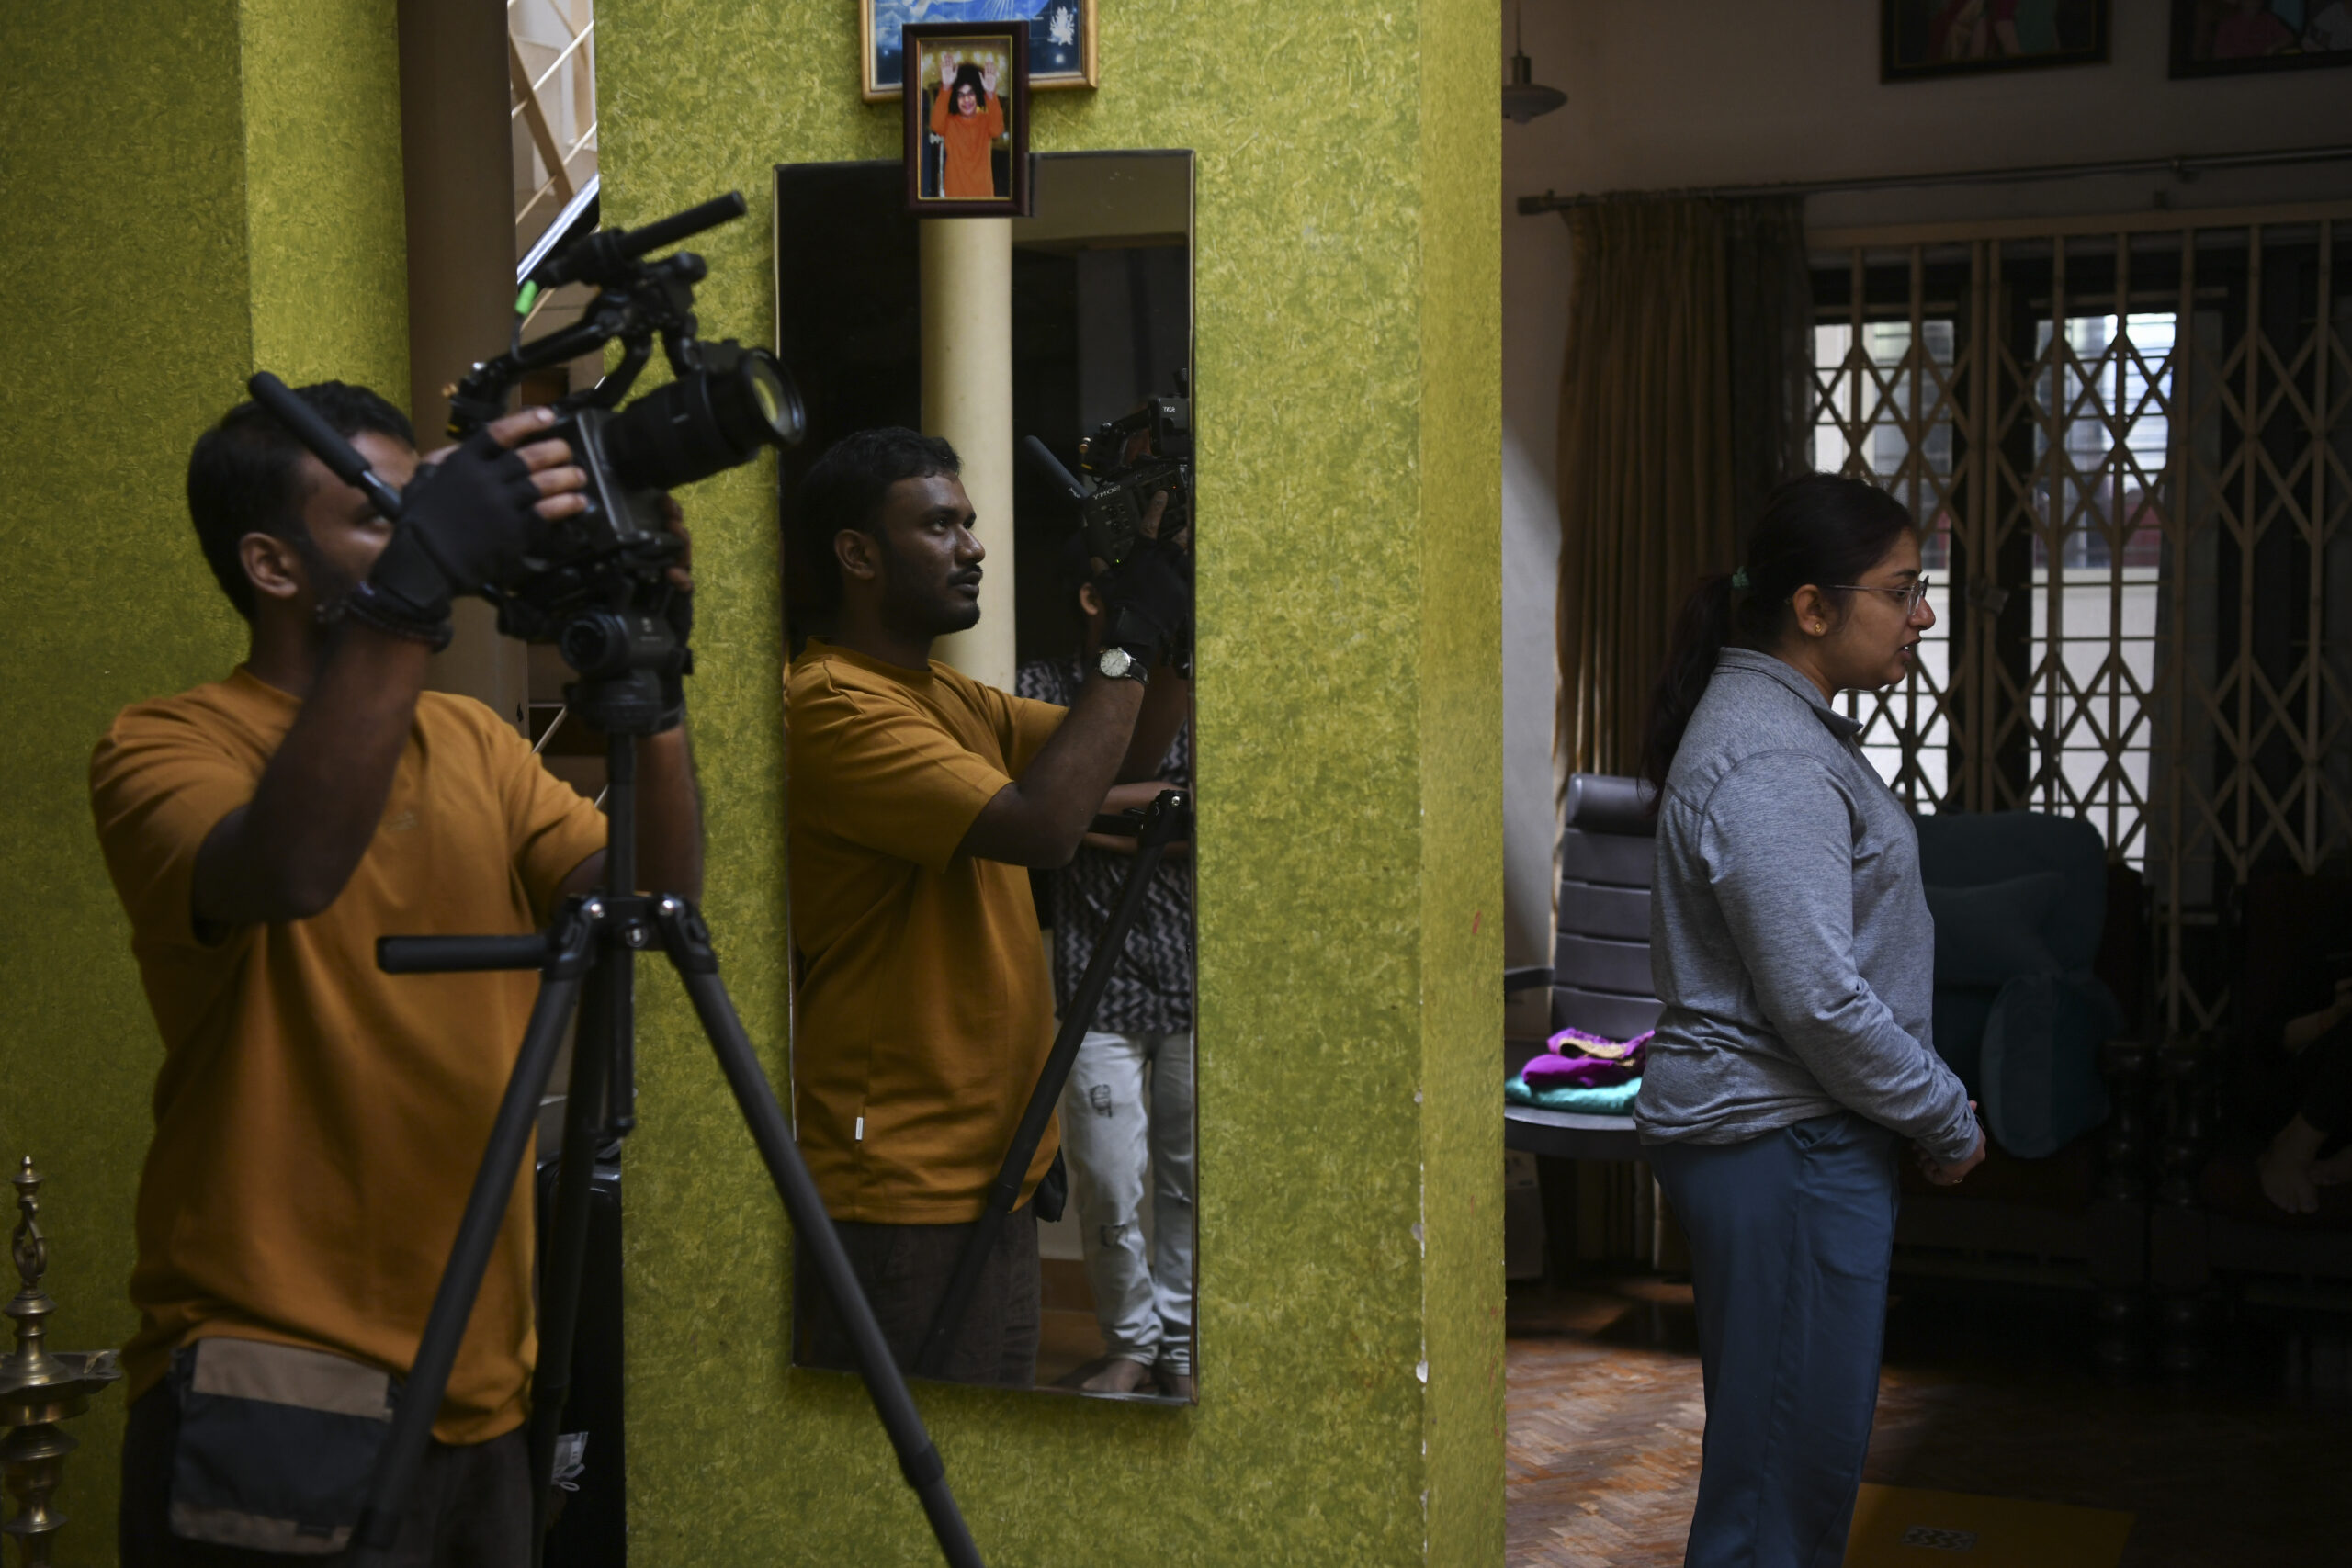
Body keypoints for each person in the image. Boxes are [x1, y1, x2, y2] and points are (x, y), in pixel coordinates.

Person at [91, 382, 704, 1567]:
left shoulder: (469, 738)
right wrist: (417, 585)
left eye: (427, 508)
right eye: (384, 515)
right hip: (272, 1373)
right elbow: (289, 867)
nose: (426, 536)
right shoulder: (165, 744)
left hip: (481, 1376)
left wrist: (657, 679)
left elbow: (648, 902)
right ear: (272, 565)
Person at [785, 427, 1189, 1386]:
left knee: (982, 1443)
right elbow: (1045, 825)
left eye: (968, 522)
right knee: (918, 1458)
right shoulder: (833, 705)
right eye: (939, 525)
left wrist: (1167, 622)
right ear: (857, 554)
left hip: (995, 1169)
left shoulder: (950, 697)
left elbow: (1128, 755)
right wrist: (1127, 644)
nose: (972, 546)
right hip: (904, 1182)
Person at [1636, 473, 1985, 1568]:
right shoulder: (1772, 756)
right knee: (1778, 1493)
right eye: (1901, 590)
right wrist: (1942, 1113)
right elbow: (1817, 998)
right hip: (1783, 1142)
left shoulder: (1780, 730)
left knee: (1791, 1467)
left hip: (1791, 1138)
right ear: (1811, 608)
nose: (1921, 615)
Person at [1015, 540, 1195, 1399]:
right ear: (1095, 599)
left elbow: (1195, 813)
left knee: (1191, 1183)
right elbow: (1035, 810)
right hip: (1096, 983)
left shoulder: (1189, 688)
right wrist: (1120, 809)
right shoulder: (1043, 687)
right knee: (1107, 1181)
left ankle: (1182, 1351)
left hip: (1193, 979)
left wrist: (1081, 809)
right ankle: (1131, 1342)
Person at [927, 56, 1005, 200]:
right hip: (955, 199)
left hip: (983, 197)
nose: (967, 100)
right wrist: (946, 87)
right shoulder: (949, 122)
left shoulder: (985, 120)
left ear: (978, 95)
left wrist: (990, 94)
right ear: (954, 99)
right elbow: (936, 125)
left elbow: (997, 130)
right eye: (961, 95)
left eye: (971, 93)